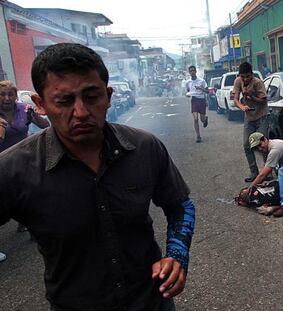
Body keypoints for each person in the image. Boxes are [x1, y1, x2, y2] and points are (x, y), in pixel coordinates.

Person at [0, 43, 195, 311]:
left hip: (151, 302)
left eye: (91, 97)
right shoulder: (14, 169)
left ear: (109, 95)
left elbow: (180, 205)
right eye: (64, 101)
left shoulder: (145, 148)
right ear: (40, 104)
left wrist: (177, 255)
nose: (81, 112)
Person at [0, 80, 50, 234]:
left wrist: (34, 114)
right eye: (2, 94)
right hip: (1, 160)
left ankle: (29, 222)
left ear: (16, 96)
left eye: (10, 94)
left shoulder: (23, 109)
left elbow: (45, 126)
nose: (7, 98)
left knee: (29, 190)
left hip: (23, 156)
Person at [233, 62, 269, 182]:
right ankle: (254, 172)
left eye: (248, 76)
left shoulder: (258, 82)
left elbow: (263, 101)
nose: (245, 79)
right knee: (246, 144)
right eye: (243, 76)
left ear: (252, 74)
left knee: (263, 144)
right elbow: (235, 99)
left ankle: (267, 171)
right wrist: (242, 107)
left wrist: (252, 96)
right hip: (249, 117)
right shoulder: (238, 81)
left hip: (261, 116)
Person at [186, 65, 208, 143]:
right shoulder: (188, 82)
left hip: (201, 100)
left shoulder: (201, 81)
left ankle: (205, 119)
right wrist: (187, 94)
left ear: (196, 71)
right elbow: (188, 91)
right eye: (191, 71)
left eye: (193, 70)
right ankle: (198, 136)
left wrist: (200, 88)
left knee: (202, 119)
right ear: (189, 72)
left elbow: (207, 91)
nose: (192, 72)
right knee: (195, 119)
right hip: (194, 100)